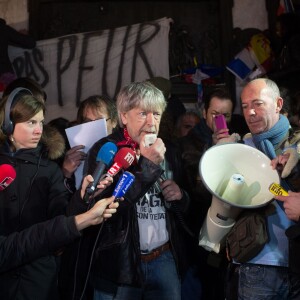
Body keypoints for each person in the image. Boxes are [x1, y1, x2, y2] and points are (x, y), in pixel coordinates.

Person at [67, 81, 190, 300]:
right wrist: (149, 167)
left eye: (157, 114)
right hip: (120, 265)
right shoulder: (108, 149)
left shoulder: (169, 150)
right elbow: (105, 208)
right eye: (143, 113)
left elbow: (187, 206)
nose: (151, 122)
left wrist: (180, 197)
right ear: (124, 117)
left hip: (163, 259)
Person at [227, 78, 300, 299]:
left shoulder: (296, 143)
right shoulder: (238, 150)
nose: (250, 112)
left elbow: (279, 192)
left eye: (257, 104)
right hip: (257, 266)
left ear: (278, 104)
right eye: (246, 106)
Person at [0, 87, 75, 299]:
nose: (39, 130)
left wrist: (80, 200)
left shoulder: (50, 170)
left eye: (41, 122)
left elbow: (61, 215)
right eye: (31, 122)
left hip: (38, 281)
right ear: (9, 124)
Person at [178, 85, 242, 300]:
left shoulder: (235, 138)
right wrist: (212, 151)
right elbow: (195, 190)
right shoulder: (189, 142)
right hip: (198, 228)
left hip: (229, 227)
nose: (219, 120)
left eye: (225, 115)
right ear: (204, 112)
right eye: (215, 114)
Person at [0, 174, 119, 273]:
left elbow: (59, 233)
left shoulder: (51, 170)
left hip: (41, 279)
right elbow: (8, 250)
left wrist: (83, 197)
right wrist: (85, 219)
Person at [58, 95, 118, 194]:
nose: (94, 126)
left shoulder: (125, 151)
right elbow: (62, 200)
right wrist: (66, 173)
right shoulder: (72, 154)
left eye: (100, 121)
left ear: (114, 121)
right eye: (88, 122)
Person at [0, 19, 36, 91]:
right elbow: (30, 43)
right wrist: (24, 35)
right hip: (4, 78)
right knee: (10, 100)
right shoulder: (2, 29)